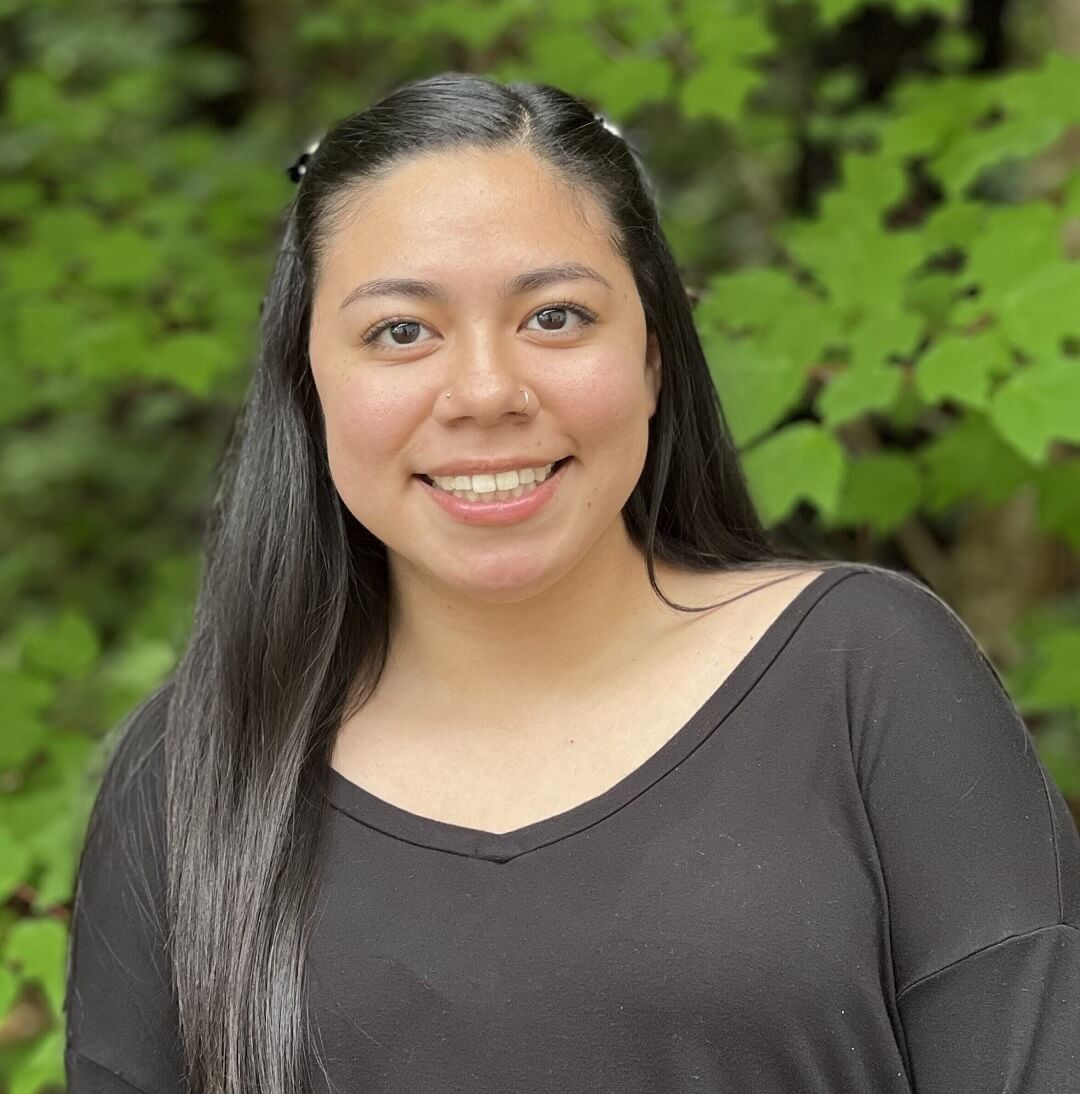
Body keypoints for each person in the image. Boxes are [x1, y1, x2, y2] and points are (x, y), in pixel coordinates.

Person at [63, 71, 1080, 1094]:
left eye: (554, 316)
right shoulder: (195, 773)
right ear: (307, 376)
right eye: (400, 331)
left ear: (652, 354)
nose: (486, 392)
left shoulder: (870, 676)